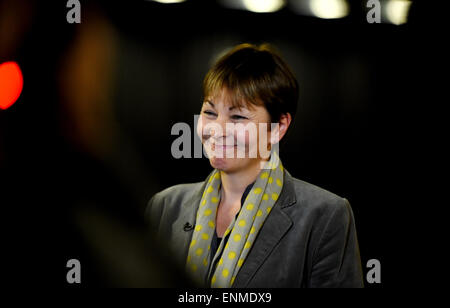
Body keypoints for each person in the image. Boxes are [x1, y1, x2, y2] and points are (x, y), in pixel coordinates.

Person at [146, 43, 364, 288]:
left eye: (237, 117)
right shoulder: (165, 207)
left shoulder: (325, 216)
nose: (217, 130)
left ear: (278, 126)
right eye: (209, 112)